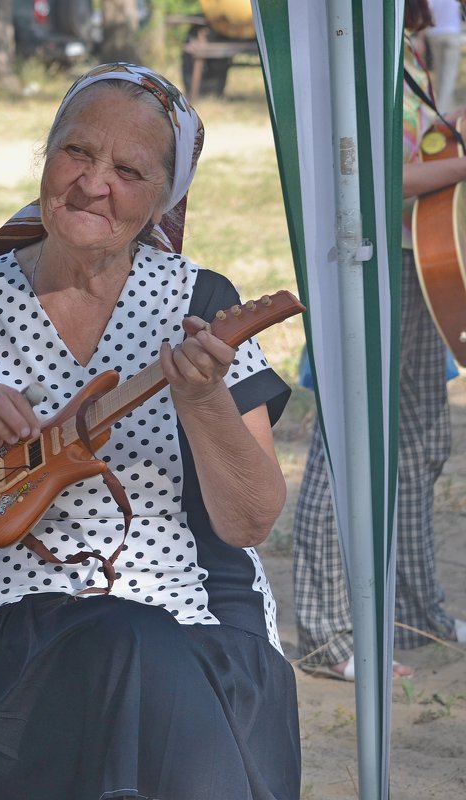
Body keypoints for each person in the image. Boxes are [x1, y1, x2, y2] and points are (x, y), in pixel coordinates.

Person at [0, 62, 300, 800]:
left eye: (128, 169)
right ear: (45, 155)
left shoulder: (198, 303)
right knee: (133, 644)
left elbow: (250, 517)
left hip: (184, 610)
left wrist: (202, 402)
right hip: (9, 634)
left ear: (163, 196)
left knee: (230, 671)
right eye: (76, 152)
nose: (94, 183)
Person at [293, 0, 466, 682]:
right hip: (365, 263)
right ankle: (326, 635)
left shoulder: (411, 52)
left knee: (422, 441)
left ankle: (412, 609)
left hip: (423, 263)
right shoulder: (352, 54)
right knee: (349, 445)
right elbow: (361, 183)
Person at [426, 0, 462, 112]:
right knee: (448, 77)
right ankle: (441, 111)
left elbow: (428, 10)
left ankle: (439, 107)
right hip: (452, 34)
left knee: (439, 74)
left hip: (434, 34)